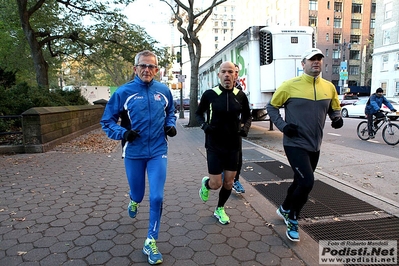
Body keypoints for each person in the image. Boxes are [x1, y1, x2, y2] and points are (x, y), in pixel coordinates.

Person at [101, 50, 177, 265]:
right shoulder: (124, 92)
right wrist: (123, 133)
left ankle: (151, 241)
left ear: (157, 70)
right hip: (133, 153)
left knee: (157, 197)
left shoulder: (163, 91)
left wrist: (170, 125)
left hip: (158, 152)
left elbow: (171, 112)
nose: (147, 70)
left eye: (151, 66)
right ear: (135, 69)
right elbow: (107, 121)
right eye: (143, 66)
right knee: (139, 194)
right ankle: (133, 200)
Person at [266, 48, 343, 242]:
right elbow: (271, 107)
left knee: (300, 181)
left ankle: (284, 207)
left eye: (319, 59)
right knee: (307, 182)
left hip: (314, 144)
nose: (316, 62)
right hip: (294, 143)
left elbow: (335, 107)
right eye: (311, 60)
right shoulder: (290, 85)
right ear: (303, 64)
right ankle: (292, 217)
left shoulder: (329, 87)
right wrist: (283, 126)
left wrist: (337, 118)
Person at [196, 61, 251, 225]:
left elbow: (248, 116)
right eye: (224, 72)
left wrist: (245, 128)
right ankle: (206, 184)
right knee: (216, 183)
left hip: (233, 145)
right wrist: (204, 126)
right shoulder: (210, 94)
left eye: (230, 72)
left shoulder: (240, 96)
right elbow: (198, 114)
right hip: (214, 144)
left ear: (235, 75)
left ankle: (220, 208)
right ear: (219, 75)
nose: (227, 75)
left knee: (229, 182)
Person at [232, 63, 252, 194]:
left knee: (238, 158)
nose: (235, 74)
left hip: (235, 131)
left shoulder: (240, 92)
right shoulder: (216, 92)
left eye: (237, 72)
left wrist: (245, 127)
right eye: (233, 71)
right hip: (219, 134)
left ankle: (235, 180)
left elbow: (247, 115)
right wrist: (207, 127)